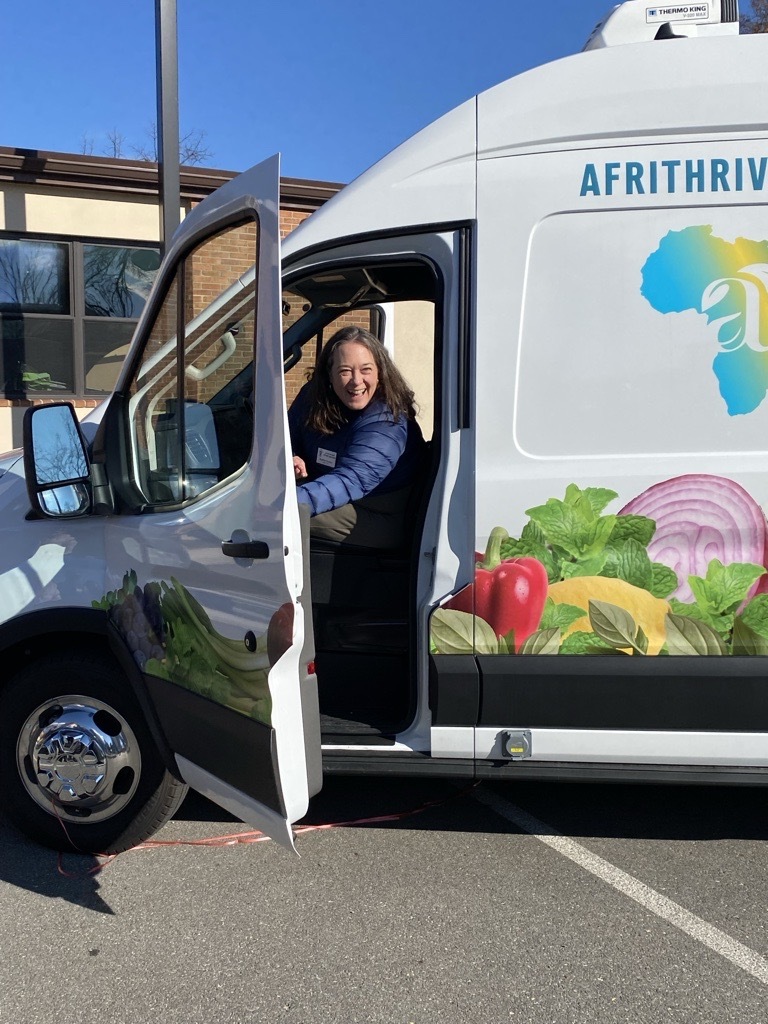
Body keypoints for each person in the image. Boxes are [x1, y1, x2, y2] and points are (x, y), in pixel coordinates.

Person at [288, 325, 427, 548]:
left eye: (366, 370)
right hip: (330, 489)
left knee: (279, 519)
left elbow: (352, 480)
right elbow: (285, 437)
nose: (356, 381)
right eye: (344, 371)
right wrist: (291, 456)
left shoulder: (386, 420)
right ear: (329, 375)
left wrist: (281, 505)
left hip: (379, 510)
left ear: (380, 373)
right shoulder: (313, 397)